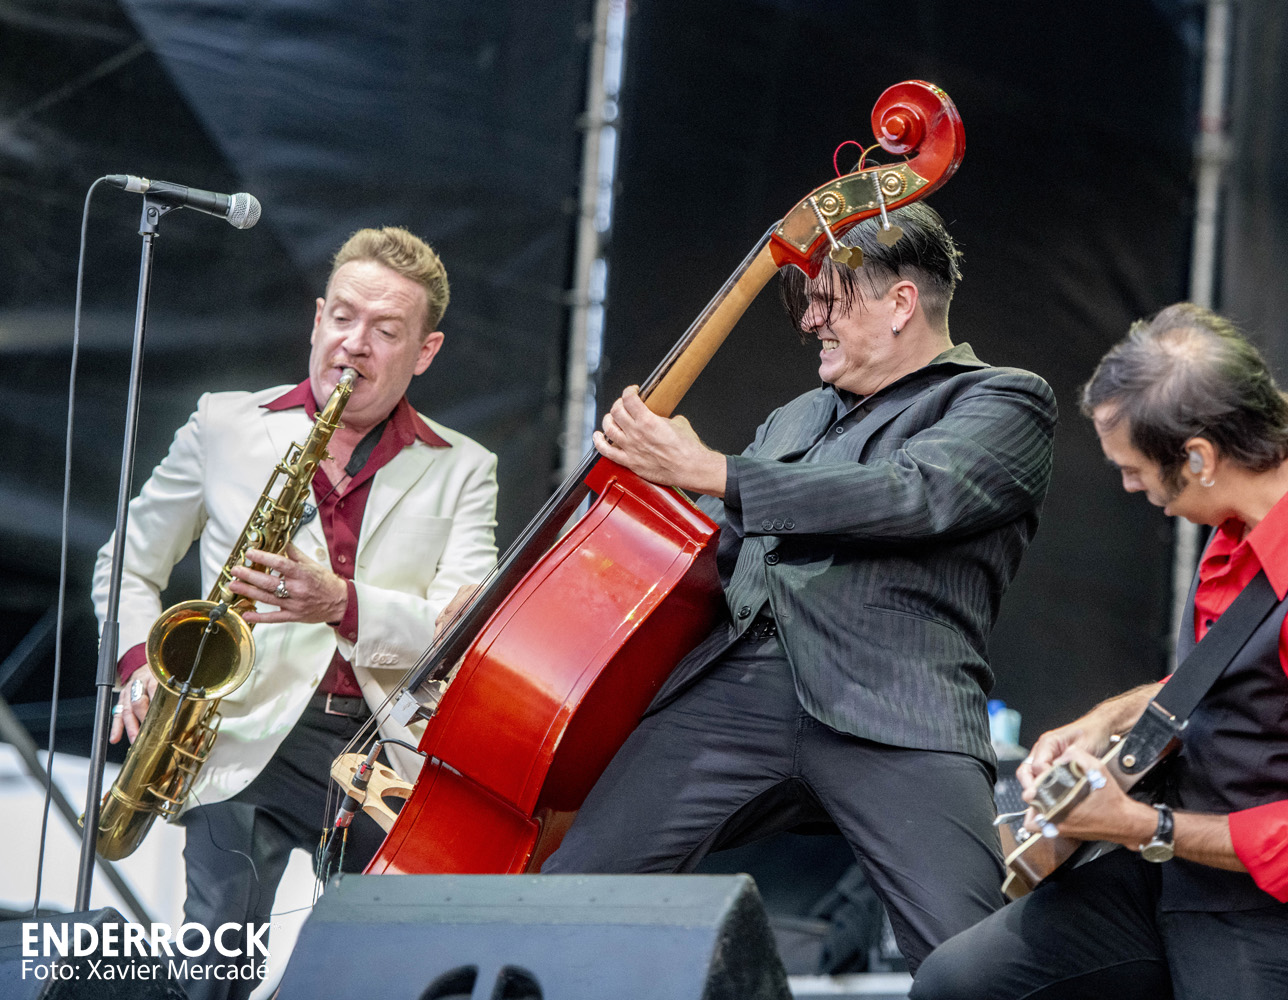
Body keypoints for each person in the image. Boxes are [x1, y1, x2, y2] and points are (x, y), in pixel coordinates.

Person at [541, 202, 1058, 971]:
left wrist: (711, 470)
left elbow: (912, 495)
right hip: (736, 692)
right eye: (809, 303)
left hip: (896, 707)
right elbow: (719, 551)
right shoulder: (795, 417)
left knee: (970, 961)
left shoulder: (1002, 399)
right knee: (566, 896)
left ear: (901, 304)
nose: (811, 321)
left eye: (827, 302)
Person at [911, 303, 1288, 1000]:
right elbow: (1230, 678)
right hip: (1173, 864)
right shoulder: (1243, 511)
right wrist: (1103, 723)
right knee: (956, 984)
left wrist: (1137, 825)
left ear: (1199, 458)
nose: (1130, 486)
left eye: (1135, 470)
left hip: (1280, 911)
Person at [93, 227, 499, 1000]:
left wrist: (342, 604)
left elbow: (461, 637)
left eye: (386, 331)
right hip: (232, 731)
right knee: (214, 970)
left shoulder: (466, 469)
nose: (355, 344)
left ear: (426, 351)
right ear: (317, 319)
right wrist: (141, 666)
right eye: (343, 318)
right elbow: (126, 563)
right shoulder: (223, 424)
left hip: (373, 747)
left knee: (380, 975)